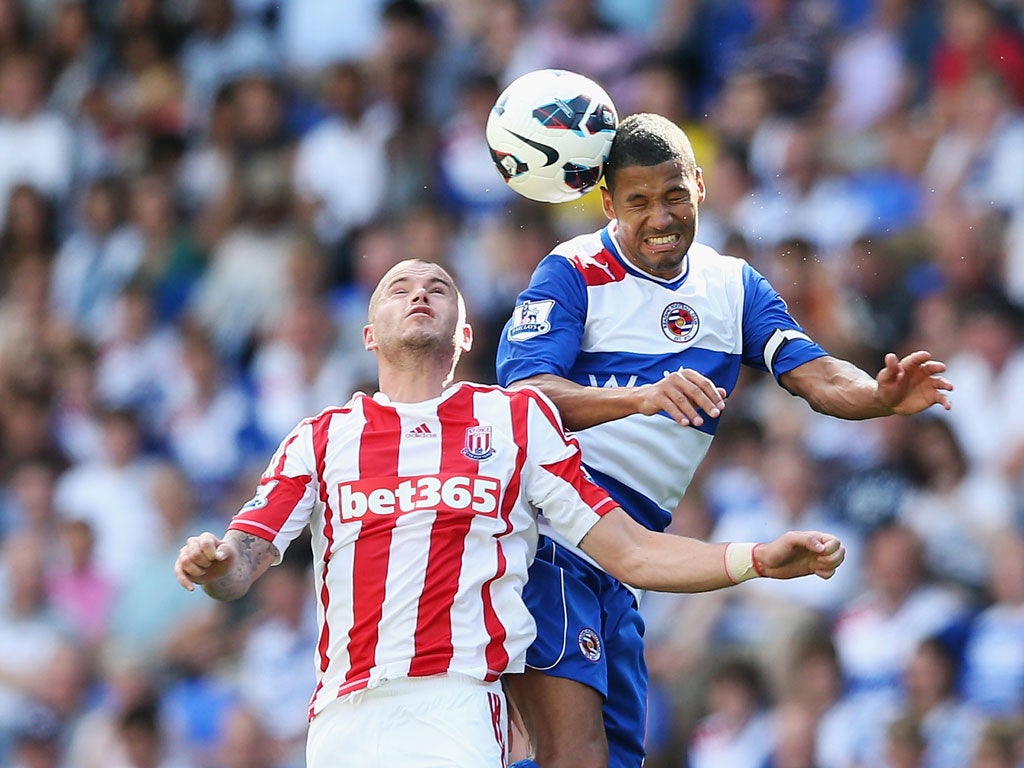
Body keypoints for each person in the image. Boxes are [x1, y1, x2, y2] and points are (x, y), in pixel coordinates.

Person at [174, 259, 846, 768]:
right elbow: (247, 560)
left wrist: (754, 559)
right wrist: (215, 566)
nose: (419, 293)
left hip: (459, 706)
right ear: (369, 334)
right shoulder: (321, 437)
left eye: (438, 286)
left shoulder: (515, 421)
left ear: (463, 334)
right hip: (344, 716)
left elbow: (630, 551)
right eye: (399, 287)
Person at [495, 112, 954, 768]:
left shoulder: (732, 287)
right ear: (608, 204)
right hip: (549, 541)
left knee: (621, 758)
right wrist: (640, 396)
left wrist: (878, 397)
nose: (660, 217)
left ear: (700, 187)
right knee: (577, 755)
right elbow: (523, 401)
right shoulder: (571, 271)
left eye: (675, 195)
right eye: (639, 203)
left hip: (629, 562)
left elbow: (819, 374)